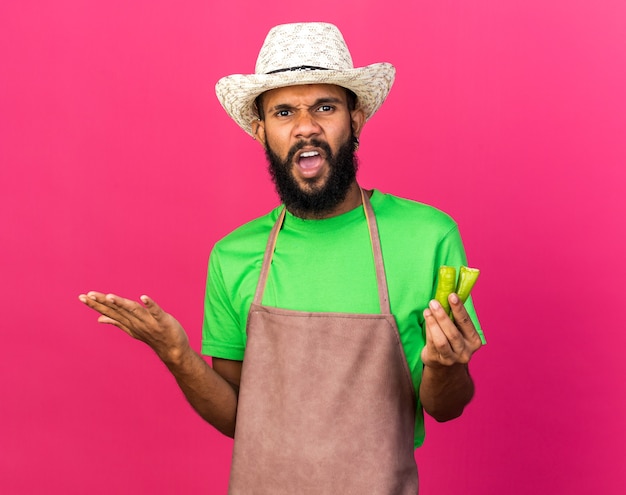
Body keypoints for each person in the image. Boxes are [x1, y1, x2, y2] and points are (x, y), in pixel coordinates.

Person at [79, 22, 485, 494]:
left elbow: (446, 406)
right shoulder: (234, 256)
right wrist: (176, 355)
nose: (305, 126)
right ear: (261, 131)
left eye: (325, 107)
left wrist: (446, 365)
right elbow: (239, 419)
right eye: (284, 111)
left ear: (355, 119)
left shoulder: (427, 237)